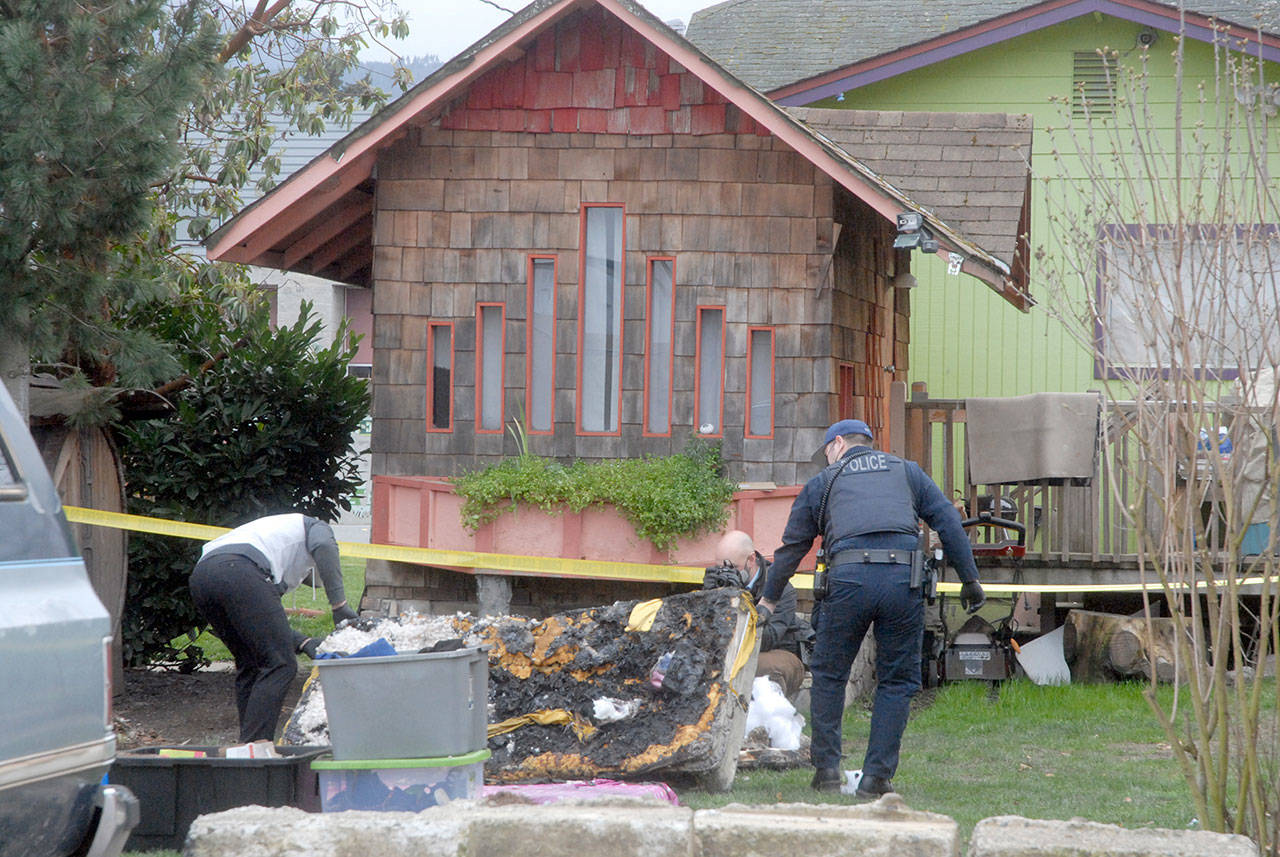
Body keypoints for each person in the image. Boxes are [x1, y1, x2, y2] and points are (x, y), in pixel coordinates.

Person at [758, 419, 985, 798]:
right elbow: (948, 520)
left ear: (838, 444)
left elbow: (792, 547)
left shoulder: (824, 481)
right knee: (897, 681)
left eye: (826, 452)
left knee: (830, 675)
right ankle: (877, 777)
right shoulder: (907, 472)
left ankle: (827, 771)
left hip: (847, 582)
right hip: (903, 582)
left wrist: (767, 599)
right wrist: (970, 579)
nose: (825, 459)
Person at [189, 513, 359, 743]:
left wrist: (303, 642)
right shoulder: (312, 526)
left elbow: (262, 623)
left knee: (251, 661)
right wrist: (339, 605)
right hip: (239, 569)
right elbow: (324, 543)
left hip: (203, 577)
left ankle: (247, 748)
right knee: (281, 665)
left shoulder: (271, 545)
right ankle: (257, 747)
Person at [702, 530, 812, 701]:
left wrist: (738, 602)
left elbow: (767, 639)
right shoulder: (719, 584)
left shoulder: (779, 588)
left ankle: (765, 721)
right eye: (720, 567)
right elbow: (704, 632)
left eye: (733, 568)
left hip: (777, 651)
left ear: (751, 560)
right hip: (733, 650)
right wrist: (708, 597)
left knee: (755, 667)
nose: (725, 573)